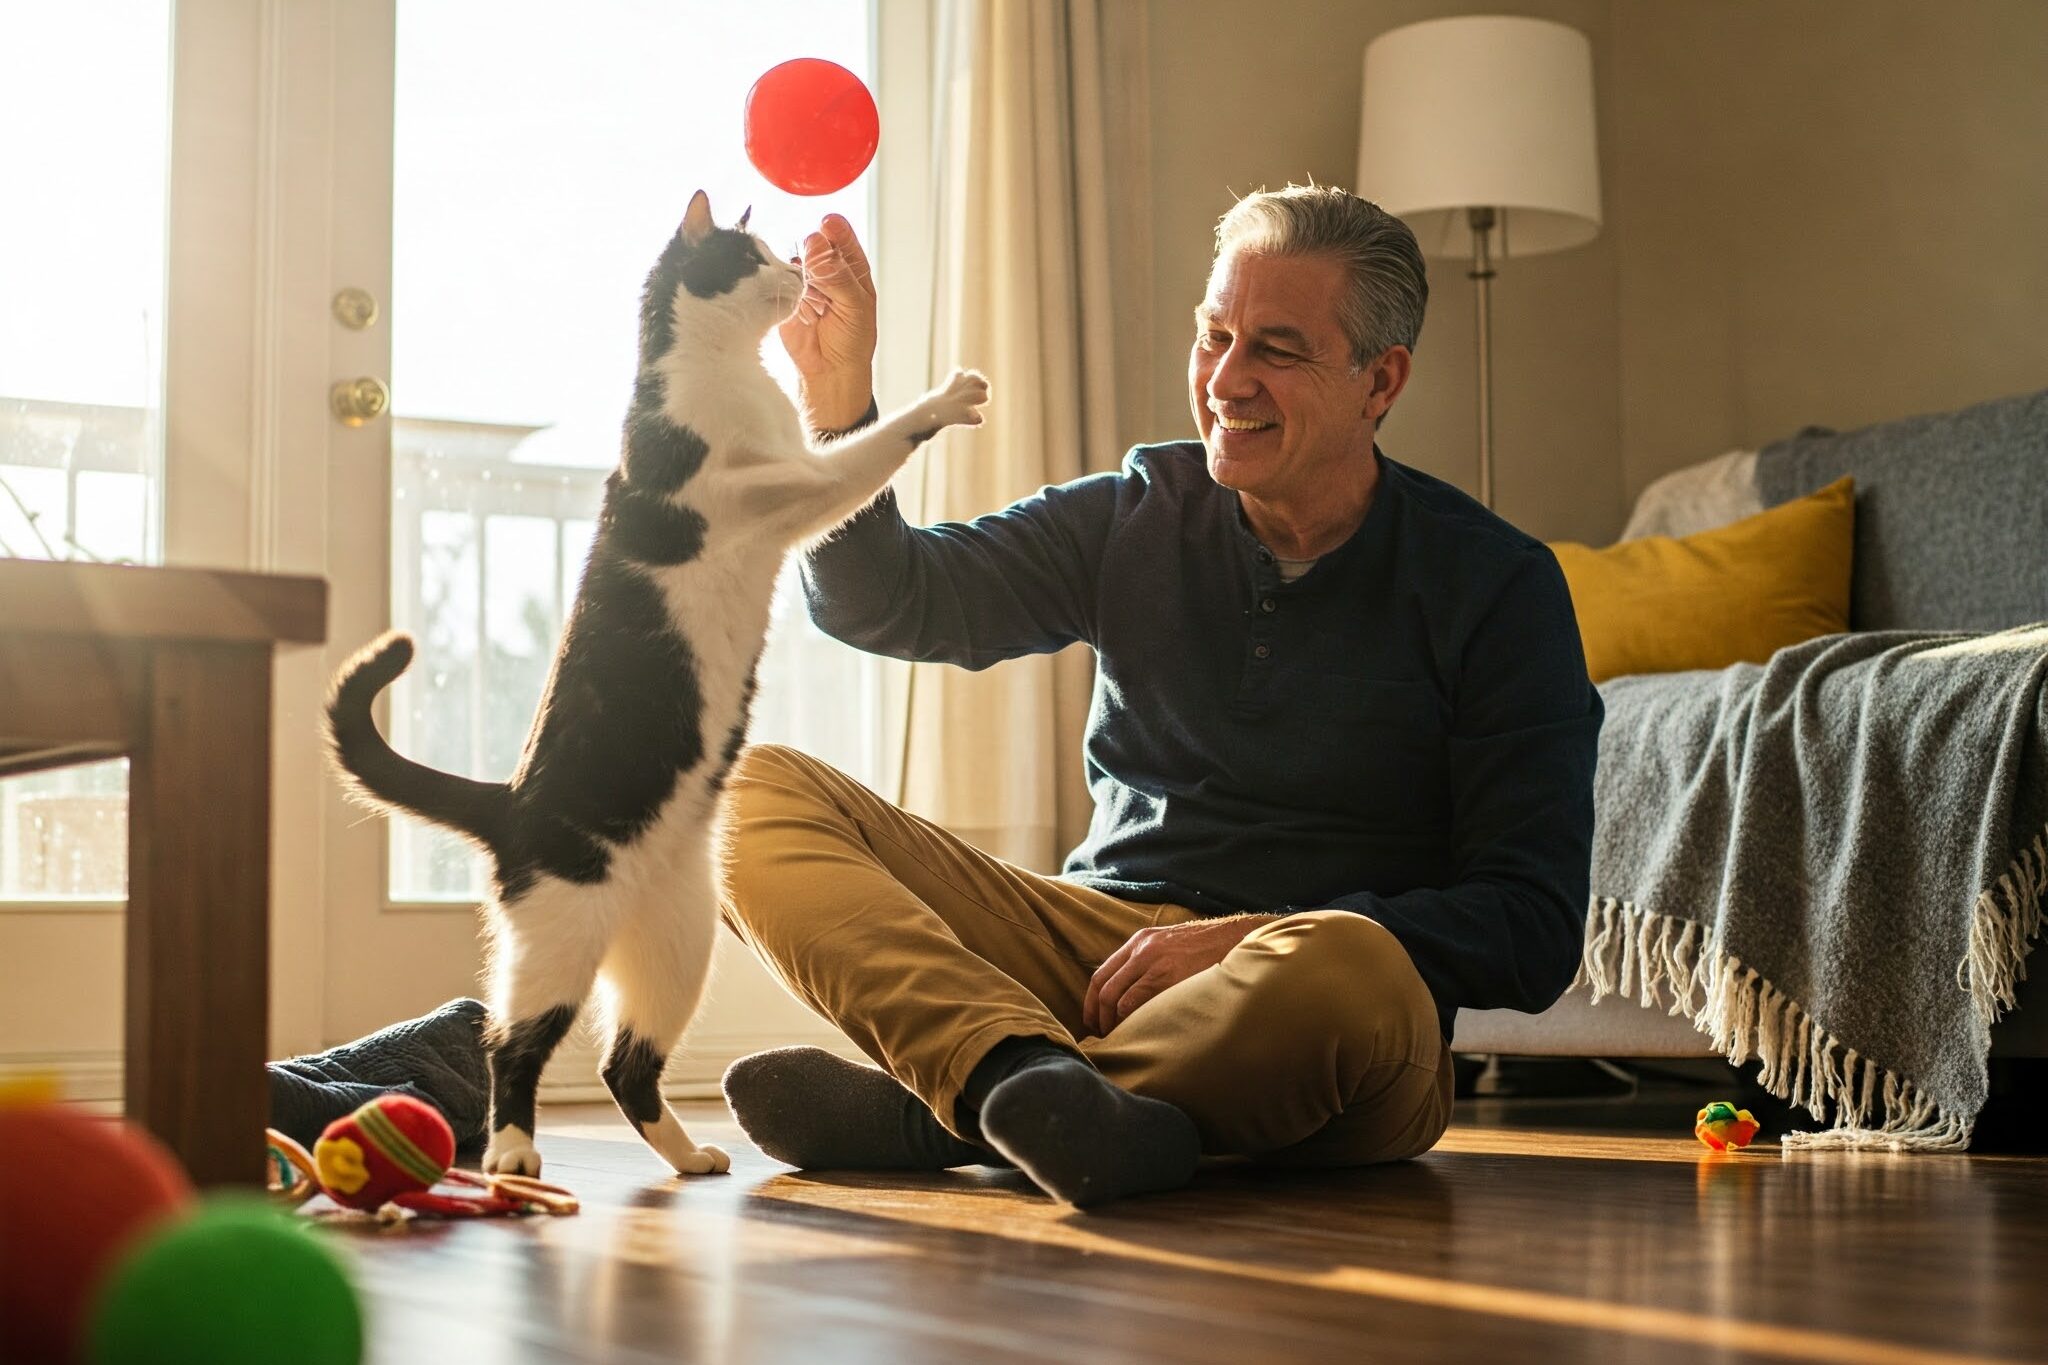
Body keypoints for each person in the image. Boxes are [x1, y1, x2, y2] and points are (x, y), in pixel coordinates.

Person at [719, 185, 1603, 1209]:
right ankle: (1015, 1081)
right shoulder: (1134, 512)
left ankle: (941, 1114)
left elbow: (1530, 927)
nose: (1226, 379)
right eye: (1213, 335)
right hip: (1098, 964)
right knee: (740, 798)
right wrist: (836, 404)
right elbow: (889, 602)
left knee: (1348, 966)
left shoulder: (1495, 585)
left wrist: (1250, 937)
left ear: (1379, 380)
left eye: (1276, 348)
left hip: (1321, 1008)